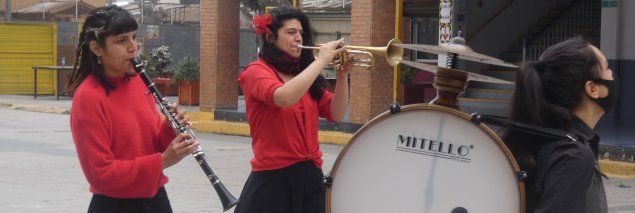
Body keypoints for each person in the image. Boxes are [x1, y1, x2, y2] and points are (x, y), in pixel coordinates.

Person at [67, 5, 198, 213]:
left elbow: (151, 144)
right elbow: (100, 174)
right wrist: (162, 161)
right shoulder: (88, 97)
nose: (133, 47)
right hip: (114, 205)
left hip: (155, 198)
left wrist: (169, 129)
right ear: (96, 48)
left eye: (133, 37)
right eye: (121, 40)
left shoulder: (138, 81)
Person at [234, 6, 352, 213]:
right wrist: (322, 60)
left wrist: (342, 76)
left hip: (310, 177)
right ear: (271, 38)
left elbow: (337, 113)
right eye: (290, 32)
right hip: (273, 179)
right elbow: (284, 97)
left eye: (301, 33)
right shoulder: (255, 72)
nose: (299, 38)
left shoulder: (304, 76)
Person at [504, 37, 615, 213]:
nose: (612, 75)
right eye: (607, 68)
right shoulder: (573, 156)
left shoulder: (540, 139)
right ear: (593, 89)